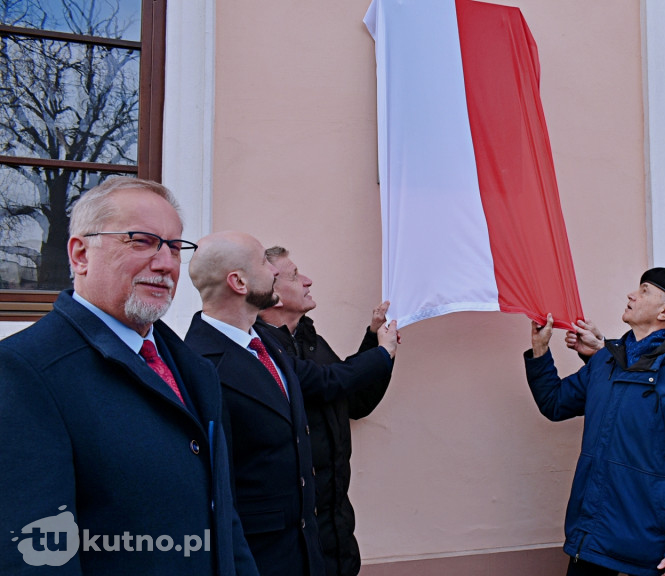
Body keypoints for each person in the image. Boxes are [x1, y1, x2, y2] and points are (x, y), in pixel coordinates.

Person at [0, 177, 258, 575]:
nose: (166, 263)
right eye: (141, 241)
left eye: (174, 247)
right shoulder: (23, 371)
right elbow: (36, 555)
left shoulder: (194, 369)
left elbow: (224, 516)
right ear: (81, 254)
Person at [184, 231, 397, 576]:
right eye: (263, 264)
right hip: (259, 559)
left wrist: (378, 348)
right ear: (239, 282)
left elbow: (334, 384)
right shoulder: (197, 364)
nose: (272, 273)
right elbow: (213, 488)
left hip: (313, 549)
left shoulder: (267, 347)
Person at [525, 267, 665, 576]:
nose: (632, 295)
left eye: (644, 291)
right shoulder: (605, 360)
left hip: (647, 556)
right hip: (588, 541)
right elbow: (555, 403)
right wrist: (540, 350)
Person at [257, 246, 392, 576]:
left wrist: (376, 340)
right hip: (294, 538)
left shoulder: (310, 341)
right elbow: (326, 382)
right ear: (272, 294)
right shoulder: (259, 354)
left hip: (337, 531)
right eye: (294, 275)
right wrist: (381, 353)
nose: (308, 281)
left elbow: (354, 399)